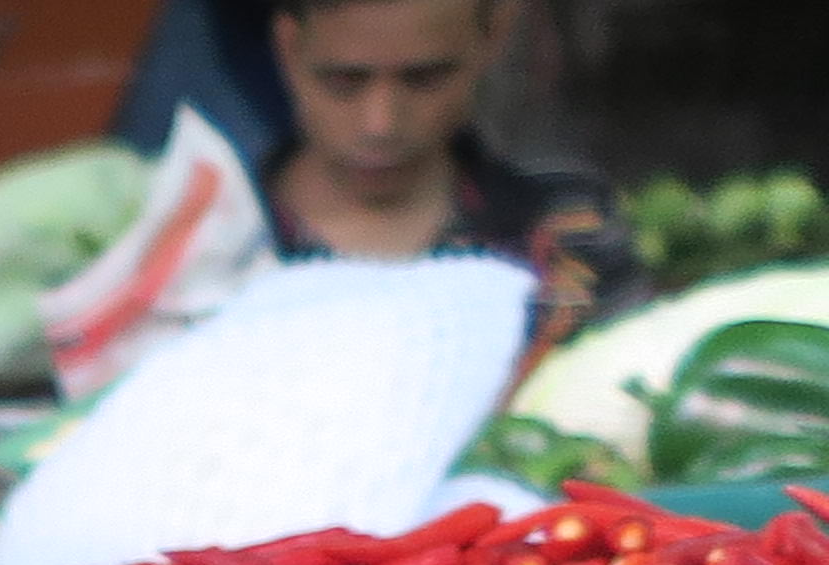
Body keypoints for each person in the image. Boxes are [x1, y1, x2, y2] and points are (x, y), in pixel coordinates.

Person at [255, 0, 641, 357]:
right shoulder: (226, 243)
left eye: (424, 78)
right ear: (288, 46)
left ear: (493, 35)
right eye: (344, 82)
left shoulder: (568, 223)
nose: (381, 124)